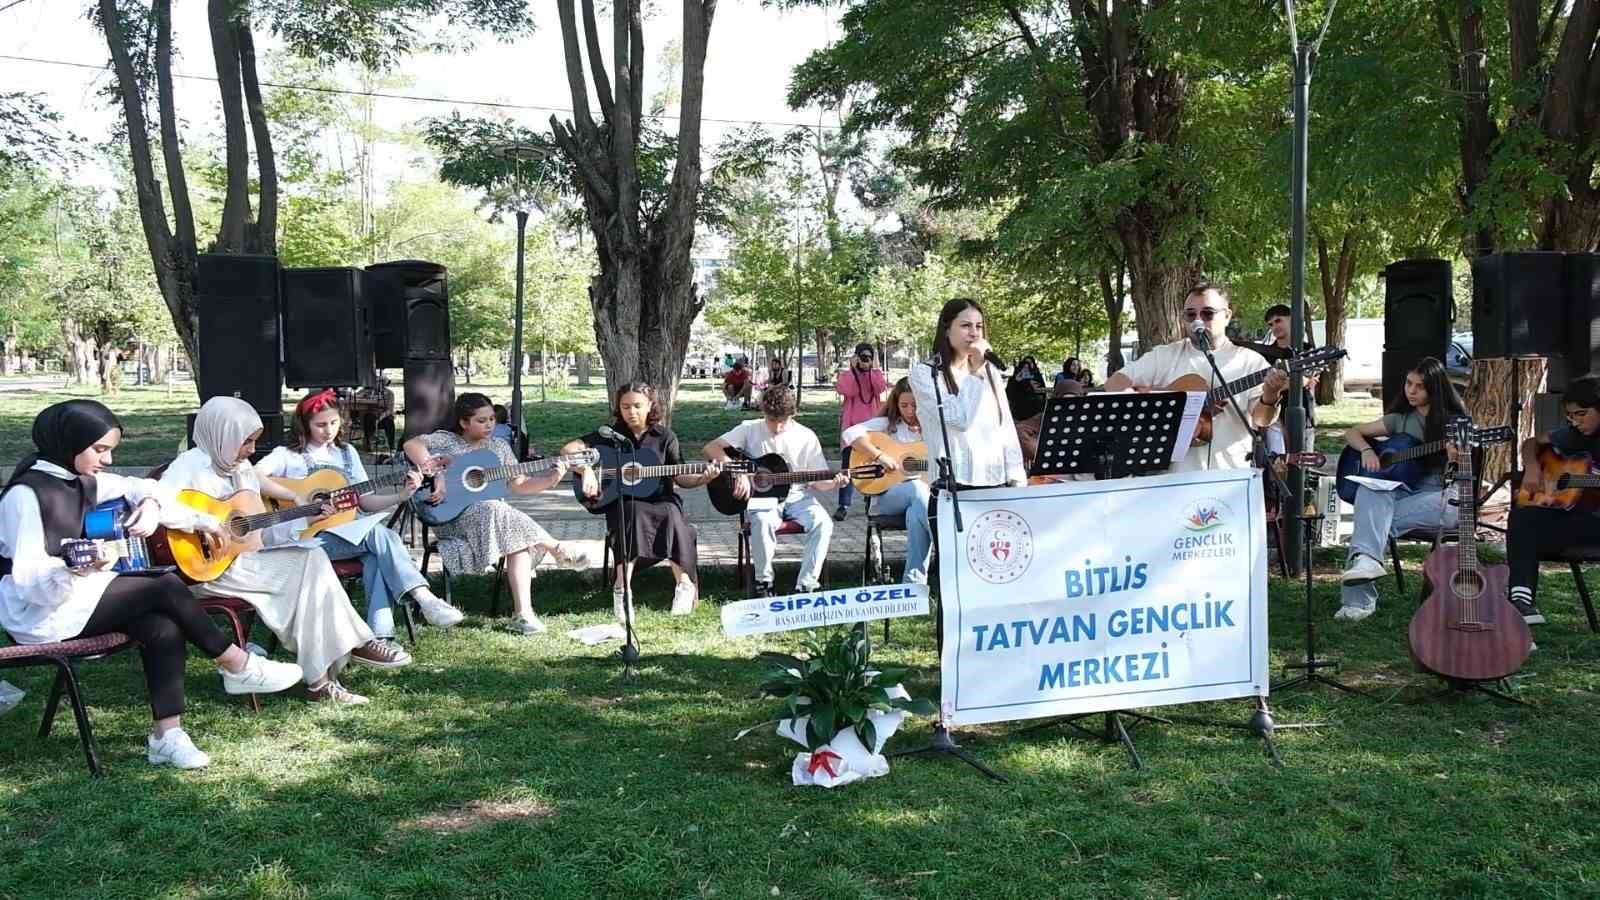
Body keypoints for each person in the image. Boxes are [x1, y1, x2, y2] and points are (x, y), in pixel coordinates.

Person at [0, 401, 303, 768]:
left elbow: (143, 486)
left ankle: (167, 735)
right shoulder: (24, 496)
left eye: (111, 450)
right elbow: (32, 583)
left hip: (79, 596)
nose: (108, 460)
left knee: (161, 625)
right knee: (162, 586)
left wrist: (153, 506)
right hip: (38, 613)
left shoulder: (78, 479)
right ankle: (236, 664)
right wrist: (77, 571)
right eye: (100, 449)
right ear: (68, 443)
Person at [160, 397, 401, 706]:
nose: (249, 450)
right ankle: (347, 650)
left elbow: (253, 527)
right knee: (307, 575)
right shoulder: (189, 465)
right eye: (244, 442)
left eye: (252, 442)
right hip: (204, 570)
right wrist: (203, 521)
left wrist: (302, 513)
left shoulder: (241, 468)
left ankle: (325, 677)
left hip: (242, 561)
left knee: (311, 562)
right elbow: (157, 505)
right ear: (221, 434)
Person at [255, 389, 465, 648]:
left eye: (333, 423)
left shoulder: (347, 454)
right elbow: (253, 476)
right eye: (320, 425)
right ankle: (421, 598)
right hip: (303, 539)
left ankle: (382, 638)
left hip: (347, 536)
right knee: (380, 538)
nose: (328, 430)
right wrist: (294, 496)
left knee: (375, 550)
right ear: (304, 424)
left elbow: (365, 501)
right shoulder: (287, 456)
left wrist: (403, 493)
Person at [402, 392, 594, 635]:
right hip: (451, 518)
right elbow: (411, 444)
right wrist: (437, 472)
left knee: (513, 533)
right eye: (481, 420)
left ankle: (524, 615)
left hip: (494, 520)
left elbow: (519, 484)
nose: (490, 425)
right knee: (496, 508)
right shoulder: (444, 440)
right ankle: (556, 547)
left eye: (492, 419)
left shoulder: (499, 447)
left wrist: (551, 479)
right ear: (463, 422)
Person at [563, 383, 723, 620]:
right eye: (625, 406)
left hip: (661, 500)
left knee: (672, 512)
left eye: (637, 406)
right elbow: (569, 448)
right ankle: (622, 590)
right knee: (632, 512)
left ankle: (684, 586)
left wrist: (703, 478)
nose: (631, 412)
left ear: (650, 406)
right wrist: (585, 468)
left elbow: (679, 476)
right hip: (623, 501)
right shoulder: (610, 435)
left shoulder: (665, 437)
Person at [1103, 282, 1288, 471]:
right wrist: (1163, 402)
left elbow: (1261, 420)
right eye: (1191, 315)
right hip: (1171, 477)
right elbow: (1113, 384)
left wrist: (1271, 394)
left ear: (1227, 316)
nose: (1198, 321)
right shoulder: (1164, 355)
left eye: (1207, 313)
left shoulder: (1249, 361)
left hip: (1230, 474)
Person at [1336, 358, 1466, 621]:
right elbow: (1352, 433)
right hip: (1404, 492)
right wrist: (1367, 450)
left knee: (1369, 517)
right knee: (1370, 488)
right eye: (1409, 383)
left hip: (1444, 498)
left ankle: (1359, 599)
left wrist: (1456, 458)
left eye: (1420, 386)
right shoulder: (1400, 420)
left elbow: (1462, 476)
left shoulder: (1456, 423)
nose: (1411, 390)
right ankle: (1367, 565)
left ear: (1435, 389)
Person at [704, 385, 848, 596]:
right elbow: (711, 448)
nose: (777, 427)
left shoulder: (806, 436)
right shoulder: (749, 428)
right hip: (763, 498)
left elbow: (818, 481)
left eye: (783, 421)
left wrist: (835, 483)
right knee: (762, 522)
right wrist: (738, 472)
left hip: (799, 497)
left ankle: (806, 585)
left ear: (793, 414)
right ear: (763, 413)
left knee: (823, 523)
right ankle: (764, 582)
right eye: (772, 420)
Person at [1507, 374, 1600, 626]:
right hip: (1577, 516)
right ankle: (1521, 600)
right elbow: (1531, 443)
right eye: (1571, 416)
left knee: (1526, 531)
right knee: (1523, 515)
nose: (1575, 421)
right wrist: (1532, 467)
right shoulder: (1576, 434)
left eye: (1581, 414)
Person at [909, 298, 1028, 490]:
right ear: (947, 330)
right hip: (953, 486)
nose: (974, 333)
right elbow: (959, 419)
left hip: (996, 482)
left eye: (979, 326)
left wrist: (1017, 476)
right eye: (965, 325)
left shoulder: (989, 371)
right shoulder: (925, 374)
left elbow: (1004, 425)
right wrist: (974, 373)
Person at [843, 378, 933, 583]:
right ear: (896, 404)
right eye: (904, 405)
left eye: (915, 405)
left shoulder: (932, 429)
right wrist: (879, 456)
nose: (910, 410)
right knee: (917, 489)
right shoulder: (888, 425)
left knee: (917, 510)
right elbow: (850, 433)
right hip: (885, 499)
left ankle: (913, 586)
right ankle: (948, 552)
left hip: (921, 501)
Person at [833, 342, 889, 521]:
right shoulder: (848, 375)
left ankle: (870, 502)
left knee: (872, 466)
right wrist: (853, 369)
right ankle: (843, 504)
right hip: (851, 428)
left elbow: (880, 388)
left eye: (868, 357)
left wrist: (872, 370)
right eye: (862, 357)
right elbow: (847, 390)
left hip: (872, 428)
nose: (865, 360)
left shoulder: (875, 373)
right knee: (847, 467)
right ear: (856, 357)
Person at [1005, 355, 1048, 422]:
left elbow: (1042, 392)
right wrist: (1016, 381)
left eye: (1030, 363)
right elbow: (1009, 393)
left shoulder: (1037, 376)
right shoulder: (1015, 377)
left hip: (1036, 411)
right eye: (1025, 364)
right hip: (1020, 412)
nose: (1027, 366)